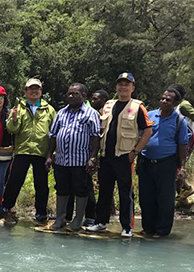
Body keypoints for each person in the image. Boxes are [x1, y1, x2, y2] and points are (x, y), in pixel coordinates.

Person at [88, 73, 153, 238]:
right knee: (104, 191)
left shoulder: (138, 107)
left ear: (133, 88)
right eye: (120, 84)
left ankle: (127, 227)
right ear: (116, 86)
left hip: (125, 157)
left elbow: (147, 131)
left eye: (126, 84)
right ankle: (100, 222)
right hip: (106, 157)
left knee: (125, 193)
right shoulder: (109, 105)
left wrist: (135, 152)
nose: (123, 87)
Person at [0, 78, 56, 223]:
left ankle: (41, 212)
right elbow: (11, 129)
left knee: (41, 183)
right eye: (30, 89)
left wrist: (51, 153)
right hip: (23, 150)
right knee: (15, 179)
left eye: (37, 89)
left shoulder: (50, 109)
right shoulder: (19, 107)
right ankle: (6, 205)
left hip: (41, 151)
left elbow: (55, 132)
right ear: (25, 92)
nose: (34, 91)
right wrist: (14, 119)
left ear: (41, 91)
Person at [47, 83, 100, 231]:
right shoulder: (61, 113)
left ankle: (77, 220)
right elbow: (53, 135)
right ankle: (60, 218)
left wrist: (93, 157)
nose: (71, 96)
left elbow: (95, 136)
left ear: (83, 96)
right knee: (61, 189)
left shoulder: (90, 113)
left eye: (75, 94)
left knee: (81, 190)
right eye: (69, 93)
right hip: (62, 160)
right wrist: (49, 155)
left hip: (80, 160)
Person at [139, 88, 189, 237]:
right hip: (146, 162)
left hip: (166, 164)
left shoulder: (180, 120)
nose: (164, 101)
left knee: (165, 199)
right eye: (162, 98)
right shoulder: (150, 115)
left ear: (176, 103)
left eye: (168, 100)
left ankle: (162, 231)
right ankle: (148, 229)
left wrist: (182, 168)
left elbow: (182, 145)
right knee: (146, 197)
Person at [66, 88, 110, 225]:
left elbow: (96, 136)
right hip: (69, 157)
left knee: (86, 187)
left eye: (96, 99)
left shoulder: (97, 114)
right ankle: (67, 216)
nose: (93, 101)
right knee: (70, 186)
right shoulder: (67, 111)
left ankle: (90, 216)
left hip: (87, 156)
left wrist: (93, 156)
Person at [169, 84, 194, 199]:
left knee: (178, 168)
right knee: (175, 167)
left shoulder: (183, 105)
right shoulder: (173, 107)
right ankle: (181, 195)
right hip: (175, 142)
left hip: (184, 142)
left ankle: (186, 190)